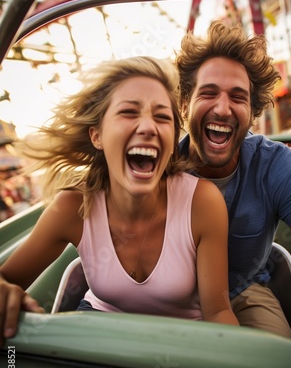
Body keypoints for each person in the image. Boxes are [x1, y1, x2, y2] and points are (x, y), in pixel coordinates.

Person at [0, 55, 239, 344]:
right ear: (97, 135)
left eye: (162, 117)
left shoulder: (202, 202)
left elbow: (217, 313)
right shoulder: (73, 207)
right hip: (101, 337)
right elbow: (8, 279)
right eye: (129, 112)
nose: (149, 127)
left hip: (180, 346)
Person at [175, 21, 291, 338]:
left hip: (242, 292)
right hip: (165, 298)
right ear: (183, 104)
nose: (223, 108)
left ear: (252, 112)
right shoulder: (157, 165)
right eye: (208, 93)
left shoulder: (275, 165)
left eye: (238, 97)